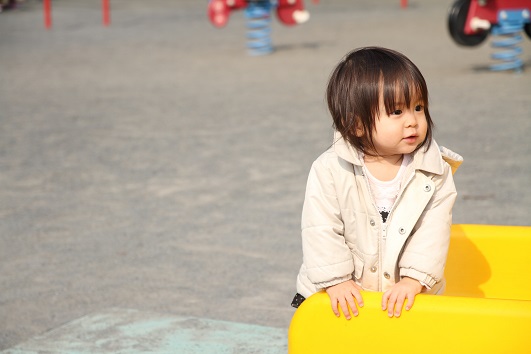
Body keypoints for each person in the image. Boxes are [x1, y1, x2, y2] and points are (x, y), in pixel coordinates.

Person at [292, 47, 463, 319]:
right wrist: (336, 279)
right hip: (342, 296)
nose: (413, 121)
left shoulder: (434, 172)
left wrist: (414, 279)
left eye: (418, 108)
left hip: (405, 295)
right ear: (357, 125)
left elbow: (433, 230)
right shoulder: (330, 169)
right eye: (397, 111)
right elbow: (321, 226)